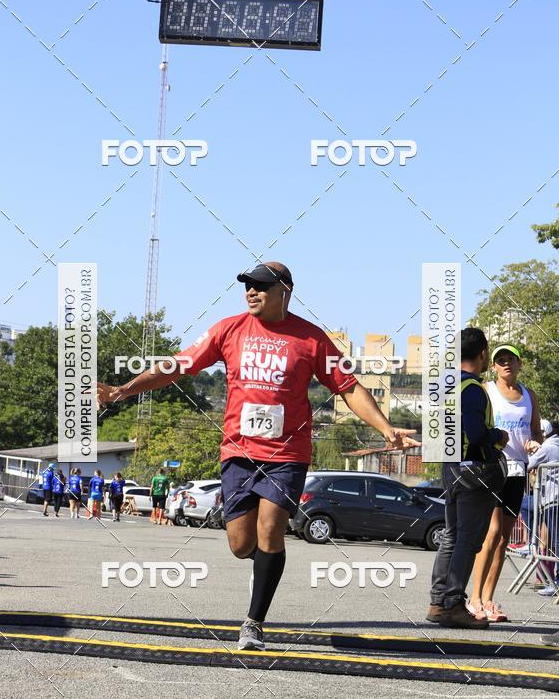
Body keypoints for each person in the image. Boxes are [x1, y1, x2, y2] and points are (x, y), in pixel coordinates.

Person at [98, 261, 418, 651]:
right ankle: (263, 562)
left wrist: (385, 428)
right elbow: (178, 366)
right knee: (240, 544)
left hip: (287, 454)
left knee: (271, 530)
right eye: (248, 285)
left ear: (285, 290)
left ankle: (254, 622)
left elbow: (348, 387)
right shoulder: (228, 329)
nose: (251, 291)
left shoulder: (311, 339)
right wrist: (122, 390)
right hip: (238, 451)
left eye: (261, 286)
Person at [426, 328, 509, 629]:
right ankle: (452, 604)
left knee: (451, 535)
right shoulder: (472, 388)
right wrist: (499, 436)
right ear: (483, 353)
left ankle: (438, 601)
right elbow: (476, 433)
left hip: (450, 468)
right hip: (474, 471)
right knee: (467, 540)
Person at [468, 345, 542, 622]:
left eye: (511, 359)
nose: (506, 364)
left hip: (517, 471)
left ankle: (488, 600)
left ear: (520, 364)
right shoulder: (486, 391)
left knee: (502, 541)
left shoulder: (529, 396)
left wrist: (535, 443)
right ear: (494, 367)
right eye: (500, 360)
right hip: (491, 469)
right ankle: (473, 599)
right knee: (491, 533)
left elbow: (535, 431)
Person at [528, 420, 559, 597]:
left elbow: (528, 464)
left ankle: (557, 583)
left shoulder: (547, 448)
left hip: (552, 499)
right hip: (554, 499)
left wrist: (532, 449)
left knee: (556, 544)